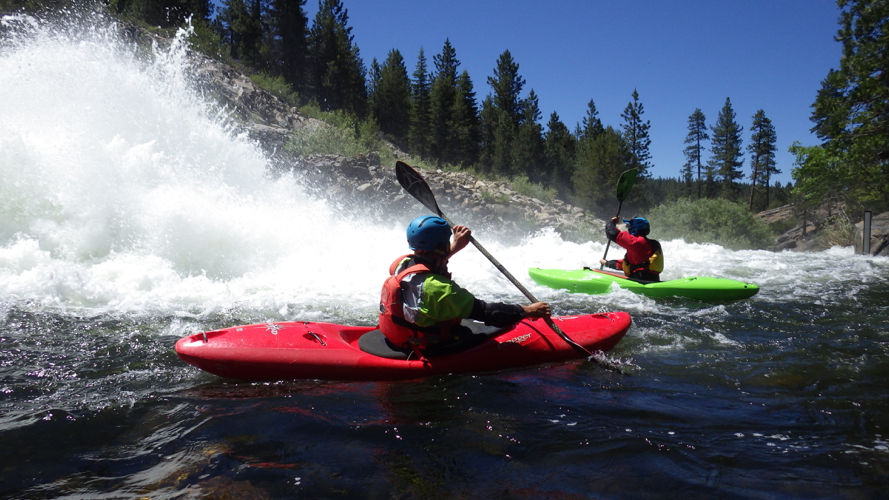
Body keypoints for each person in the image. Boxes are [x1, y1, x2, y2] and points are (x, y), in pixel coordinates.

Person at [379, 215, 550, 357]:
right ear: (441, 246)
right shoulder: (440, 290)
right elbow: (488, 313)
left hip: (401, 337)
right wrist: (528, 311)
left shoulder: (402, 264)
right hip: (430, 347)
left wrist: (453, 247)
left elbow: (429, 264)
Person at [600, 216, 664, 282]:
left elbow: (611, 233)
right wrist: (607, 263)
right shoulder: (648, 244)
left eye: (630, 227)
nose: (628, 229)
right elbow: (626, 264)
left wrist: (612, 222)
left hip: (641, 281)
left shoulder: (637, 242)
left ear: (634, 229)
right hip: (649, 280)